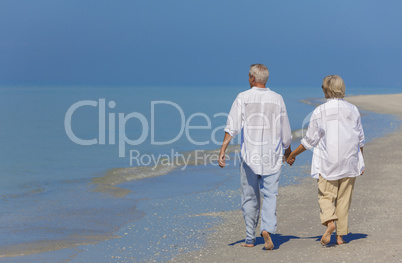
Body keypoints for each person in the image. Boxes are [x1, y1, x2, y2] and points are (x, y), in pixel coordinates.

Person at [219, 64, 292, 250]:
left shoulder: (243, 97)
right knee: (270, 195)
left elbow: (232, 126)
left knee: (249, 196)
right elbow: (285, 130)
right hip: (272, 155)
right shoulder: (277, 99)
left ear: (252, 78)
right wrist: (288, 151)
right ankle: (267, 228)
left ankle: (250, 238)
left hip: (249, 156)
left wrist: (222, 150)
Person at [287, 75, 365, 246]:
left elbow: (310, 141)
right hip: (350, 160)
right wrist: (361, 161)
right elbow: (360, 139)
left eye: (322, 87)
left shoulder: (319, 111)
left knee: (325, 196)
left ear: (327, 89)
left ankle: (330, 222)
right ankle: (340, 237)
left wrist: (292, 154)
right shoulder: (353, 109)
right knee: (344, 200)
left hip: (328, 161)